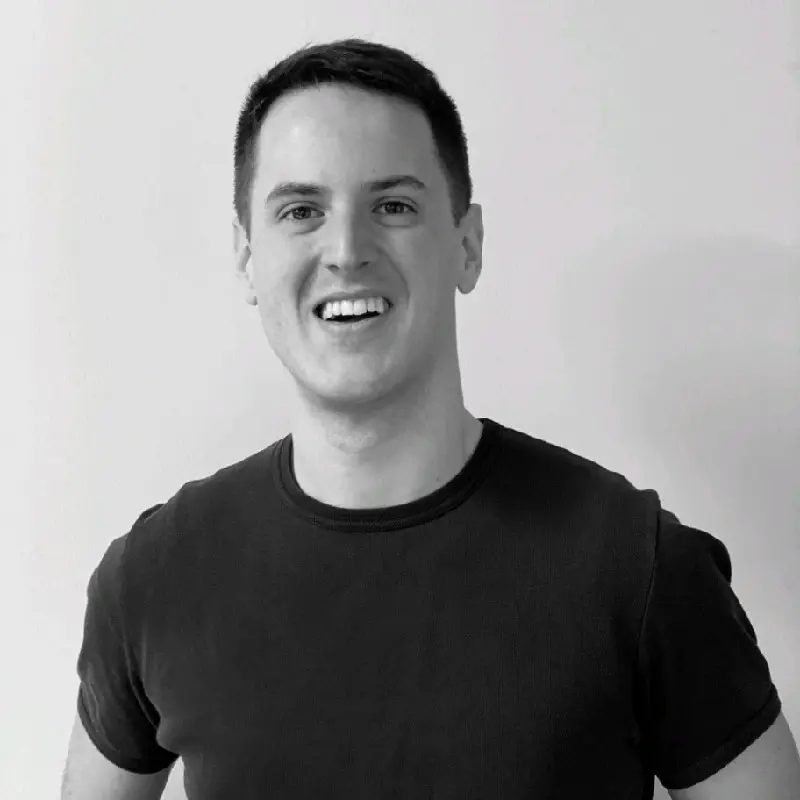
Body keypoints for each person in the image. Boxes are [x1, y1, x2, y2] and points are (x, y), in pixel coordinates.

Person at [62, 38, 800, 799]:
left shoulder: (636, 567)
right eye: (301, 211)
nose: (346, 251)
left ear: (467, 246)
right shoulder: (154, 577)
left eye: (393, 206)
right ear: (248, 257)